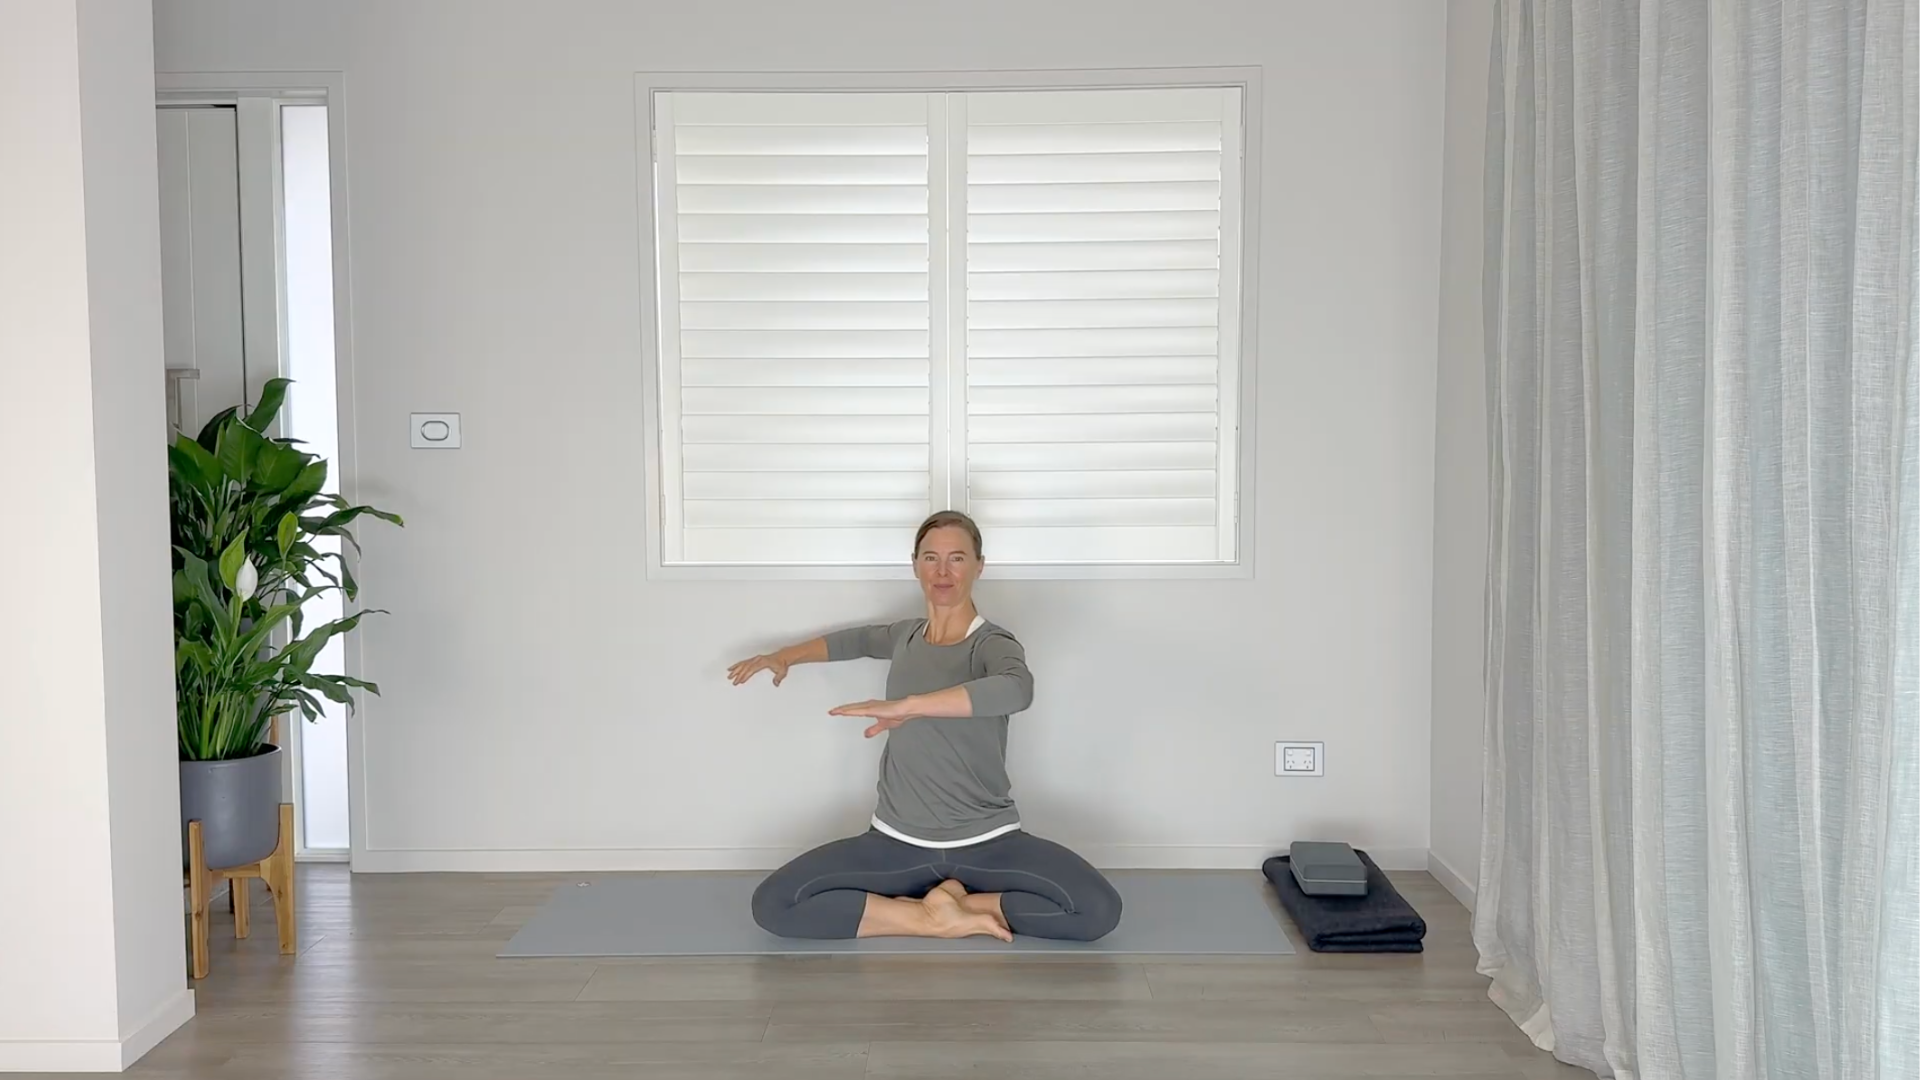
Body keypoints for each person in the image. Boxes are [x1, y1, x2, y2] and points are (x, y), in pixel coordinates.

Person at [727, 510, 1122, 943]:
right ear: (915, 565)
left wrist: (913, 706)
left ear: (979, 566)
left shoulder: (993, 644)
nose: (943, 571)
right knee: (773, 903)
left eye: (957, 558)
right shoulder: (906, 637)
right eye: (931, 558)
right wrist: (785, 656)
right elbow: (853, 641)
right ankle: (930, 916)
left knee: (1098, 910)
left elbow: (1016, 690)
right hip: (895, 844)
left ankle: (965, 904)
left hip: (989, 843)